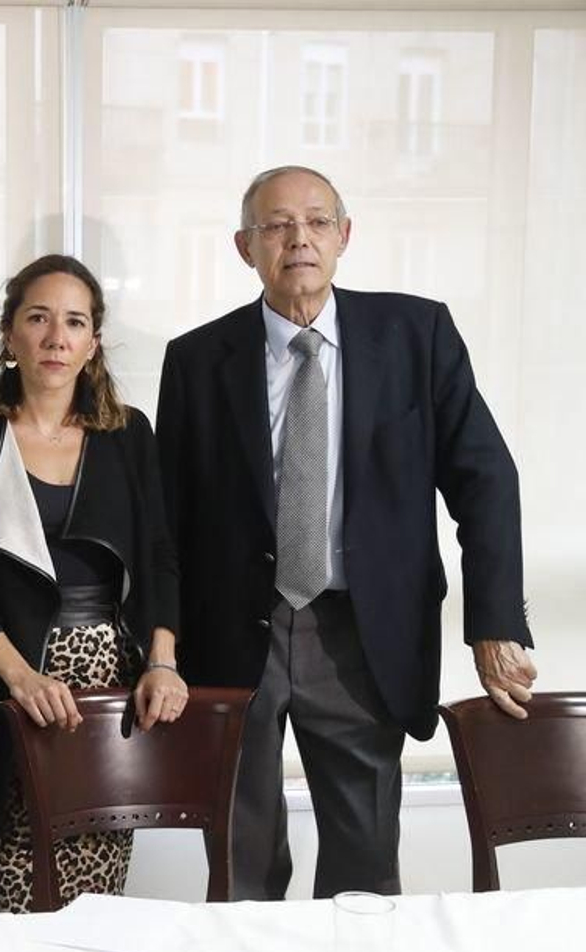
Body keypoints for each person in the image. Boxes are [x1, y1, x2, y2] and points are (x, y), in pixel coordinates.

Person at [156, 165, 537, 900]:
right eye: (276, 225)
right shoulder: (197, 359)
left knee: (365, 867)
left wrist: (493, 622)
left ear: (344, 236)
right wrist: (162, 646)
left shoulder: (415, 334)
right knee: (240, 861)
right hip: (240, 634)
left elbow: (486, 477)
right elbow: (169, 523)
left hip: (364, 634)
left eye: (317, 221)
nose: (298, 238)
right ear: (245, 246)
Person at [0, 254, 188, 912]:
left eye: (74, 322)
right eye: (38, 318)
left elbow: (158, 556)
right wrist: (19, 678)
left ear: (93, 342)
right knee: (17, 894)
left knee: (99, 905)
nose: (55, 337)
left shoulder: (129, 434)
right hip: (10, 684)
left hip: (111, 689)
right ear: (10, 332)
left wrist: (163, 661)